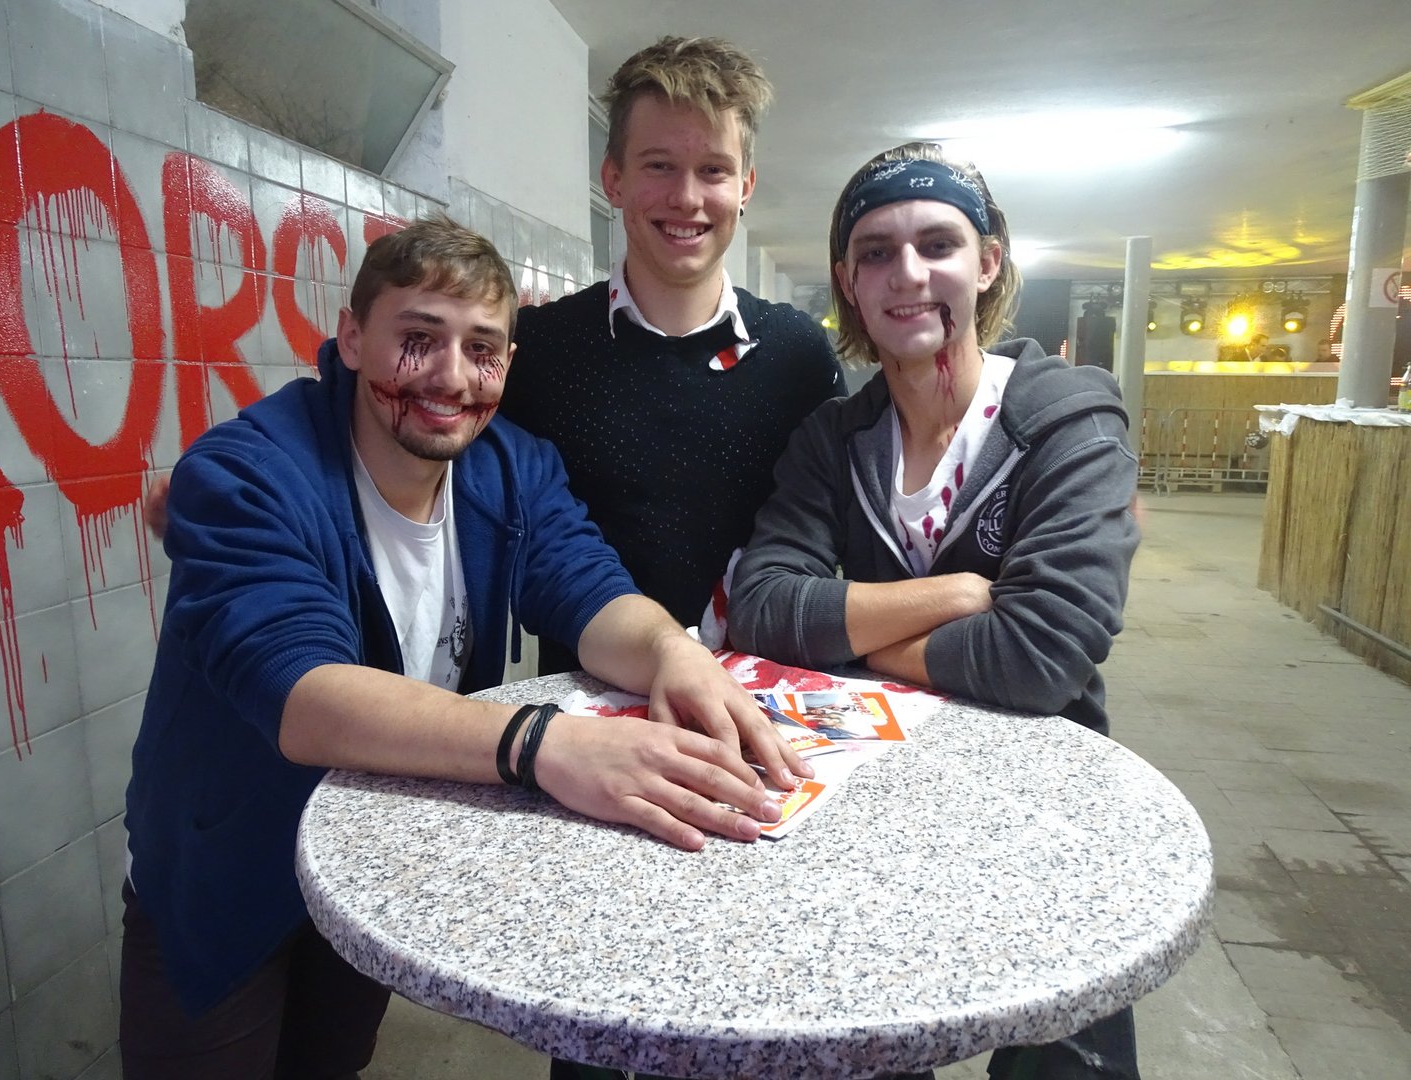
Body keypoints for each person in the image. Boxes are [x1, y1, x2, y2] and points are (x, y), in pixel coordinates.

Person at [119, 214, 809, 1079]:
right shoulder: (247, 473)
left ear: (507, 365)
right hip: (224, 871)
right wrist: (545, 744)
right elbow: (307, 696)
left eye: (481, 350)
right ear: (353, 338)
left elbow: (590, 591)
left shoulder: (510, 468)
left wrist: (674, 653)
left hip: (363, 855)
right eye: (418, 339)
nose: (450, 377)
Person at [728, 142, 1142, 1078]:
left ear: (987, 263)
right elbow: (762, 607)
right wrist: (957, 596)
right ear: (847, 280)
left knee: (1062, 1058)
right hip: (875, 796)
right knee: (866, 1045)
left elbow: (1042, 655)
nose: (907, 274)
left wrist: (854, 640)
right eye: (875, 252)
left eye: (938, 245)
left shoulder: (1068, 421)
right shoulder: (835, 438)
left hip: (1046, 803)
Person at [498, 36, 846, 674]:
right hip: (587, 706)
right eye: (659, 165)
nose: (687, 197)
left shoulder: (799, 358)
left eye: (713, 170)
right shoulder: (539, 351)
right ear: (613, 179)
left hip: (772, 698)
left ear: (745, 186)